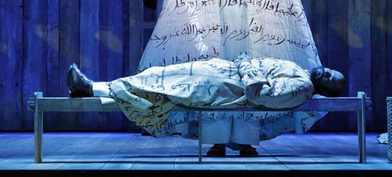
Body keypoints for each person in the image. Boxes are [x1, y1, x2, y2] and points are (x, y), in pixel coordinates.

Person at [138, 0, 326, 157]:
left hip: (246, 44)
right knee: (218, 89)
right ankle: (217, 143)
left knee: (247, 88)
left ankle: (246, 143)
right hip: (218, 46)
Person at [66, 54, 346, 155]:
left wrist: (247, 64)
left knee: (156, 85)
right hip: (221, 74)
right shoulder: (300, 71)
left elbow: (261, 94)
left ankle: (90, 88)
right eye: (333, 71)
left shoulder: (303, 87)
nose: (328, 73)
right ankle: (93, 87)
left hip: (223, 87)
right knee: (156, 78)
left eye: (332, 80)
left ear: (326, 89)